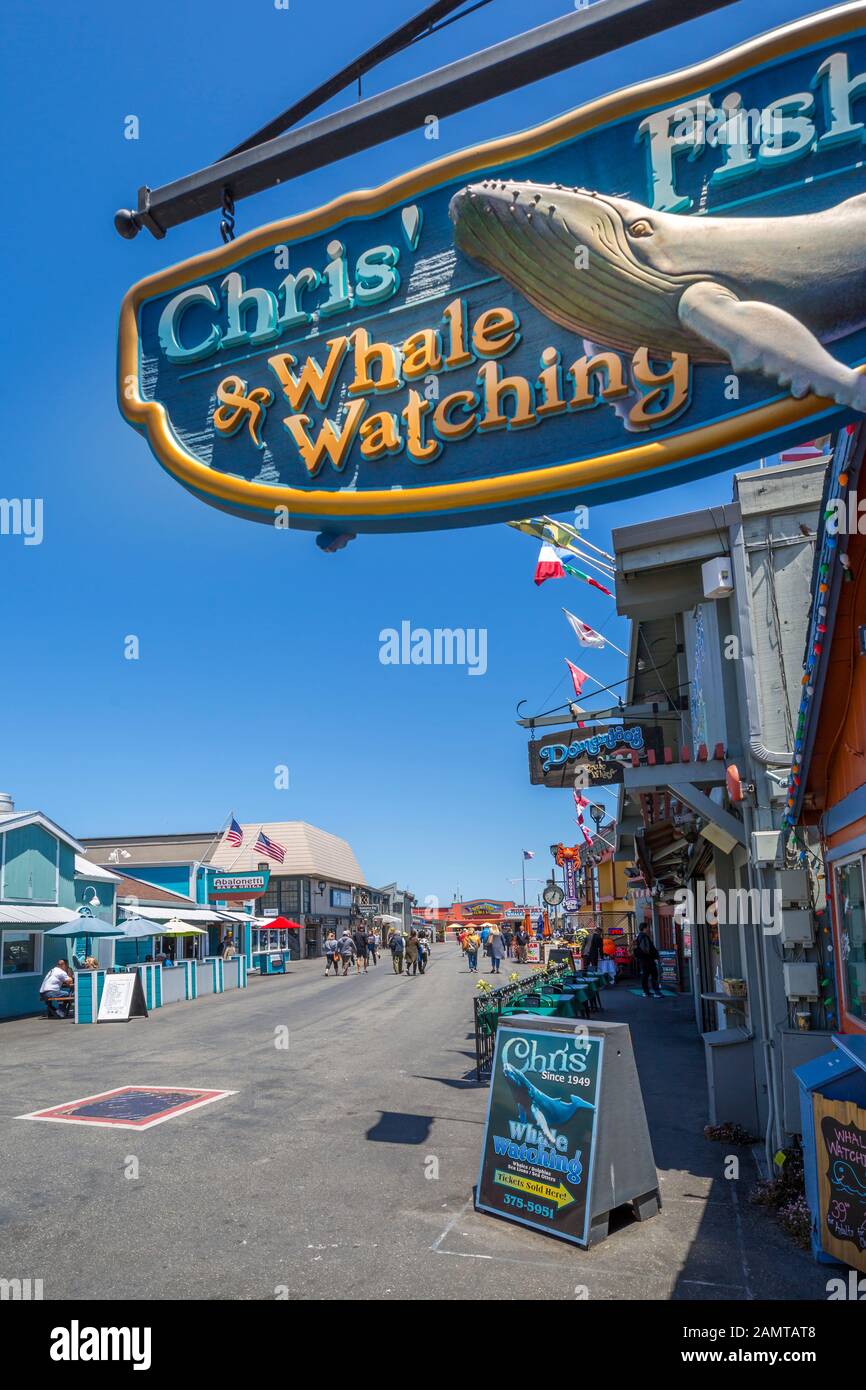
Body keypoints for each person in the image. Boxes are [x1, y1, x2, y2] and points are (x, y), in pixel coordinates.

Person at [633, 925, 663, 998]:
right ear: (644, 928)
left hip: (642, 959)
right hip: (648, 959)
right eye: (647, 927)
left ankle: (645, 992)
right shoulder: (644, 937)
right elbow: (647, 949)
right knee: (654, 975)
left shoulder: (638, 936)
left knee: (645, 976)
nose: (648, 929)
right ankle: (656, 992)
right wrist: (654, 955)